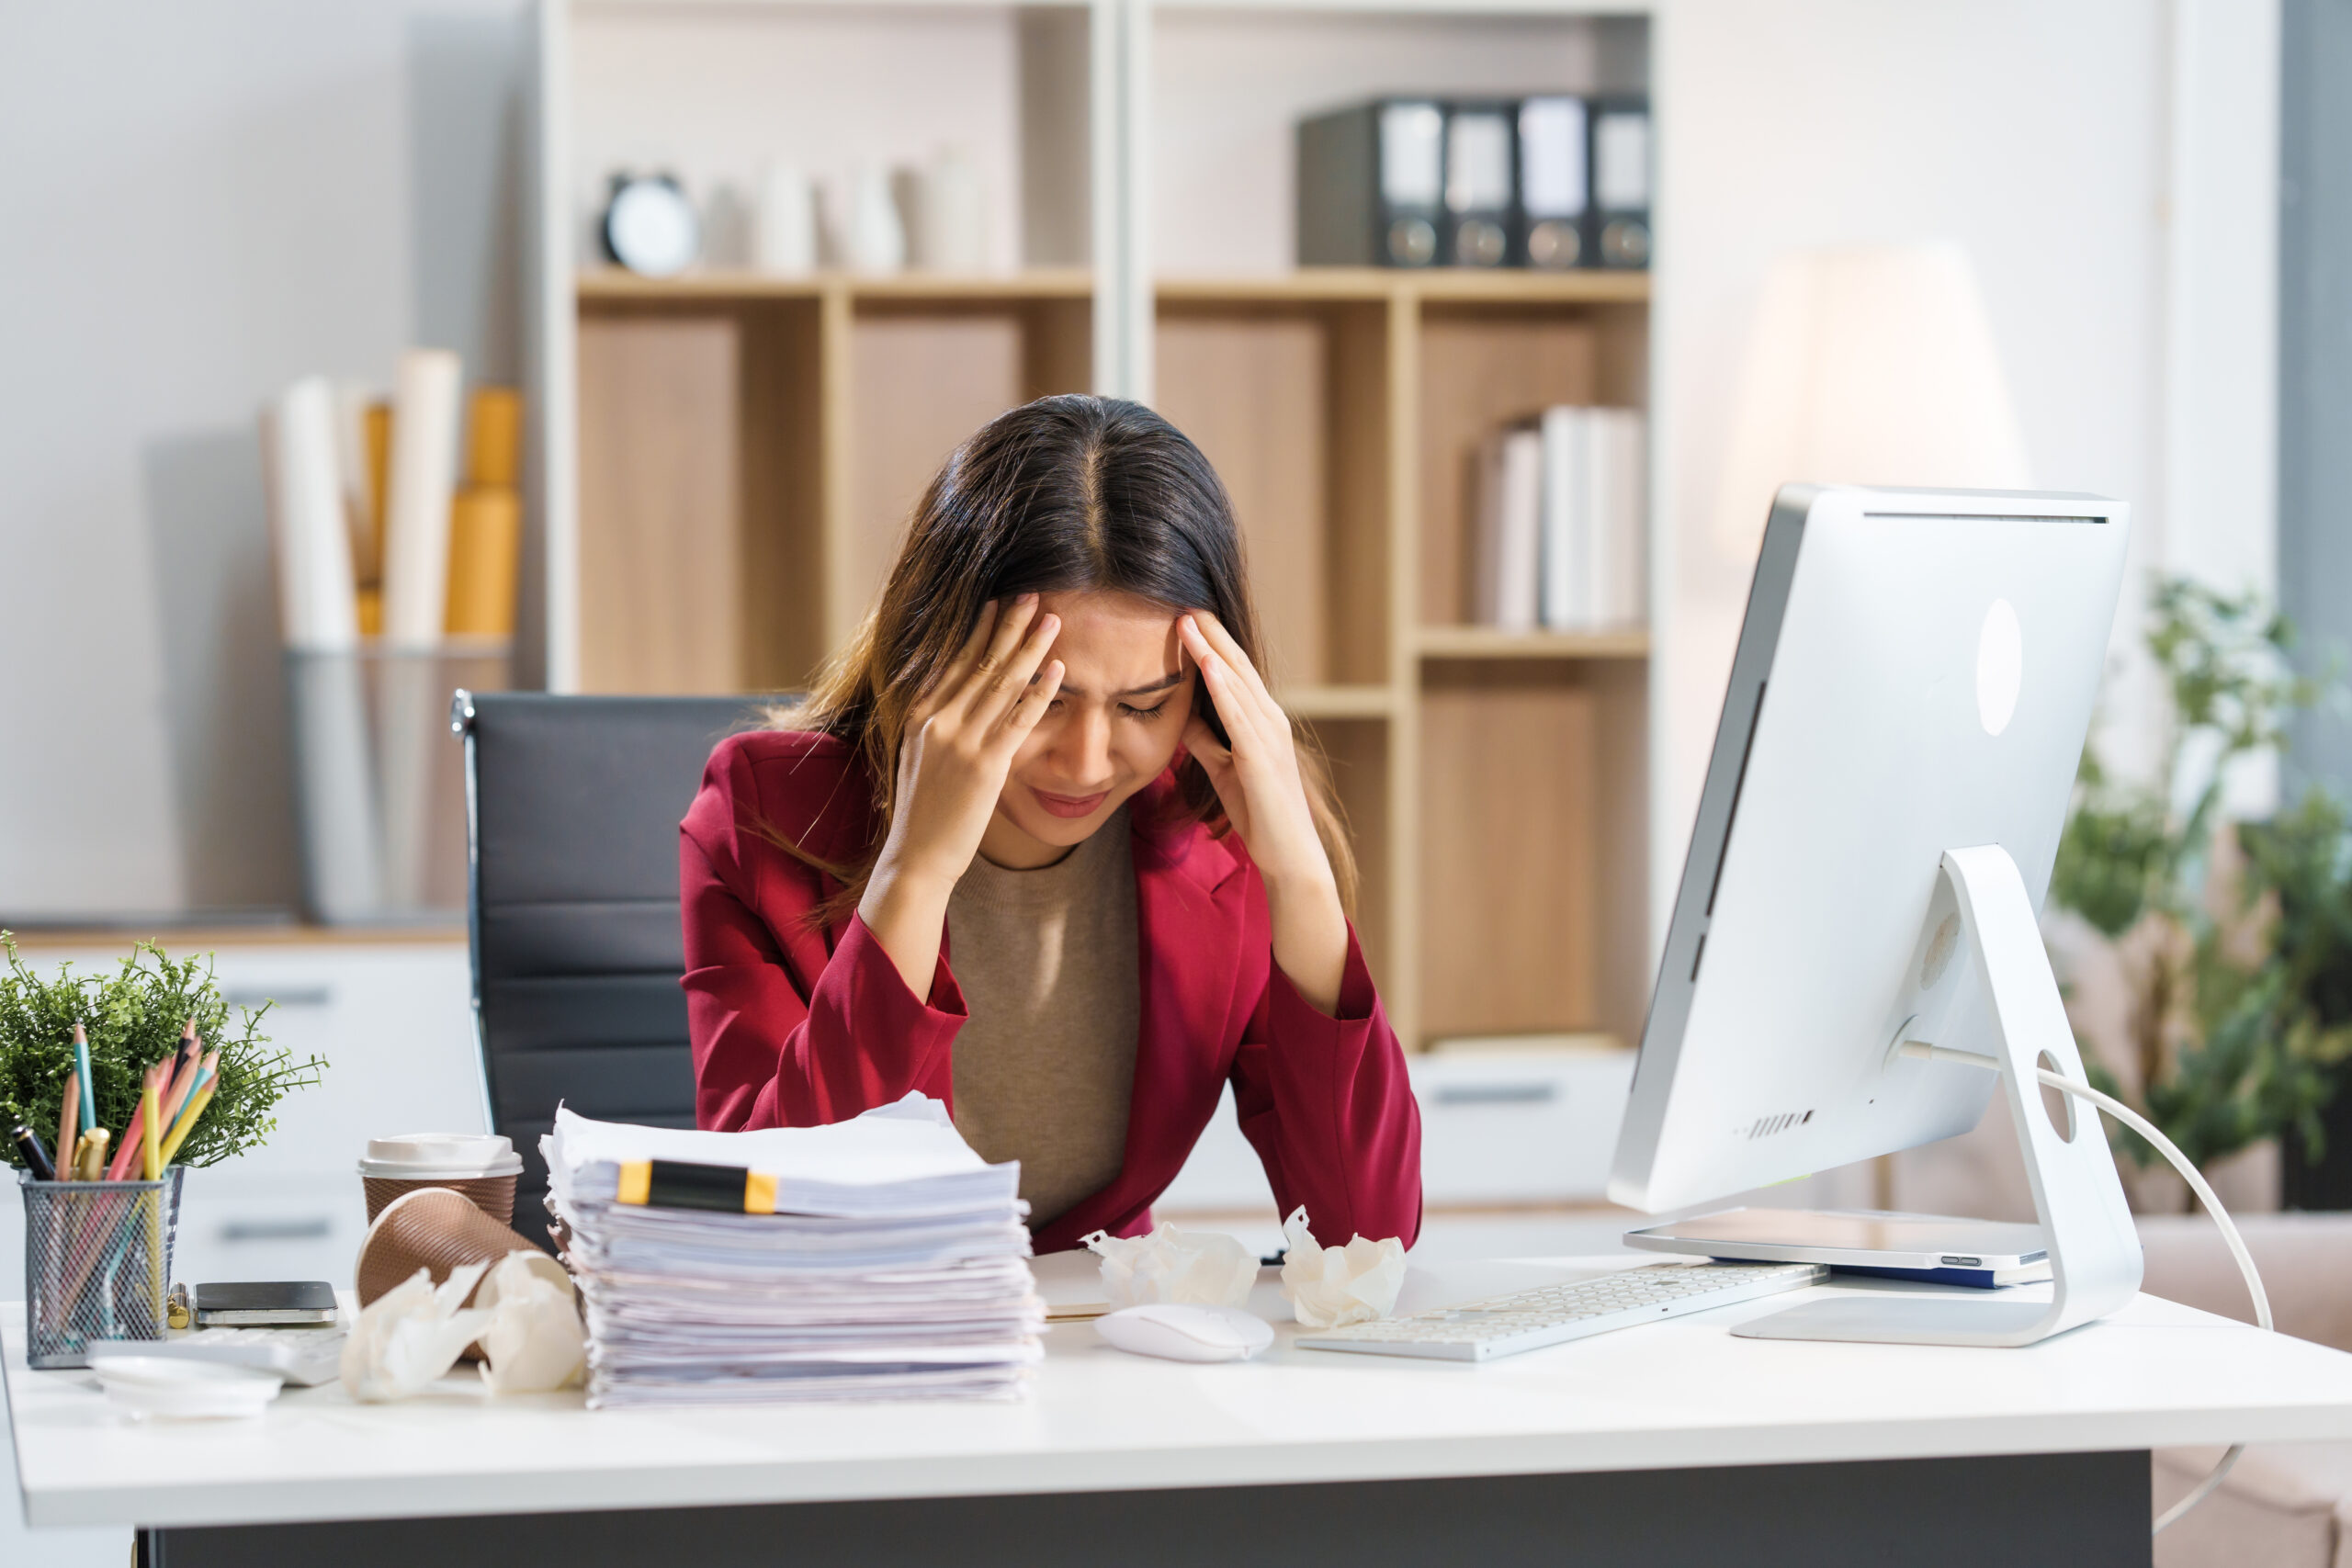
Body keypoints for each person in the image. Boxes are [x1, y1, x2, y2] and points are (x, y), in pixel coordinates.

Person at [679, 394, 1421, 1254]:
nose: (1087, 761)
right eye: (1043, 698)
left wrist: (1299, 877)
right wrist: (913, 874)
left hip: (1093, 1354)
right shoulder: (762, 813)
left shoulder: (1224, 834)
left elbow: (1368, 1241)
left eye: (1143, 704)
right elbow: (770, 1221)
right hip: (862, 1352)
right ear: (939, 656)